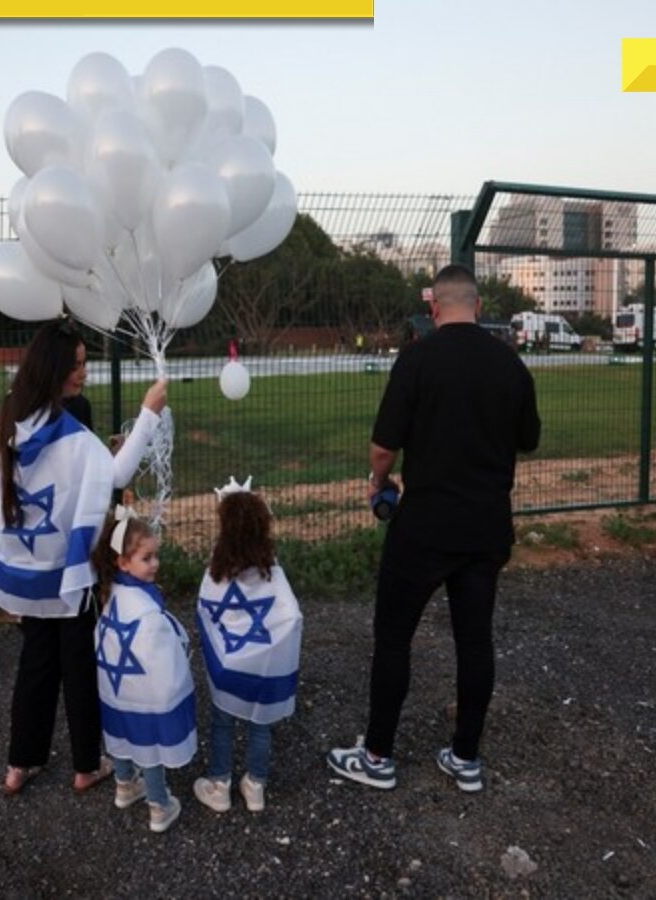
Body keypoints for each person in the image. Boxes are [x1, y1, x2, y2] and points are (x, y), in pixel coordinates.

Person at [327, 263, 540, 793]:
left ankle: (377, 756)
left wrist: (380, 481)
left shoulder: (418, 358)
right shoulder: (511, 364)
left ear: (433, 308)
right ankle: (465, 756)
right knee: (475, 642)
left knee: (394, 639)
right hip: (486, 527)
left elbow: (383, 446)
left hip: (424, 526)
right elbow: (529, 439)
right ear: (480, 306)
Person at [0, 320, 167, 795]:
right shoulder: (69, 431)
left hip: (30, 568)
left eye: (87, 364)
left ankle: (19, 762)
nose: (84, 373)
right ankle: (87, 764)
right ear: (55, 368)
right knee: (78, 663)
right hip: (68, 570)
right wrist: (149, 414)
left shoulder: (14, 416)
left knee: (36, 662)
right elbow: (115, 473)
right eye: (78, 365)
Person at [192, 477, 302, 815]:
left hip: (230, 669)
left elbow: (206, 612)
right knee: (260, 725)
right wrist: (271, 653)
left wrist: (227, 655)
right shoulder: (272, 571)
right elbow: (290, 615)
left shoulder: (216, 571)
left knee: (222, 723)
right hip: (263, 670)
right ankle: (255, 786)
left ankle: (220, 784)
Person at [91, 507, 194, 833]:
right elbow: (161, 654)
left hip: (117, 687)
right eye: (146, 558)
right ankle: (159, 805)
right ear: (123, 562)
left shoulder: (113, 596)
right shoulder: (145, 610)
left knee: (121, 735)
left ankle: (125, 785)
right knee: (150, 747)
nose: (155, 564)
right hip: (144, 690)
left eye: (155, 556)